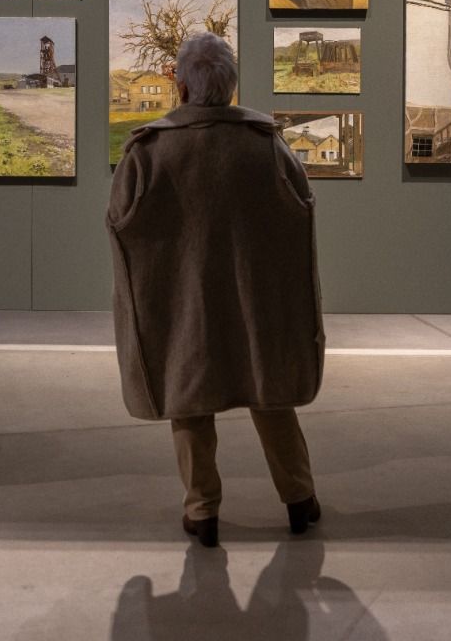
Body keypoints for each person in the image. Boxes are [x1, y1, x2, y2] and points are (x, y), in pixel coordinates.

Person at [107, 32, 325, 548]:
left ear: (180, 87)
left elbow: (118, 222)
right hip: (255, 299)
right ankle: (299, 498)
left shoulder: (148, 152)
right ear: (230, 87)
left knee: (189, 395)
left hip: (184, 302)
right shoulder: (266, 145)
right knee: (269, 393)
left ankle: (202, 509)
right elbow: (301, 211)